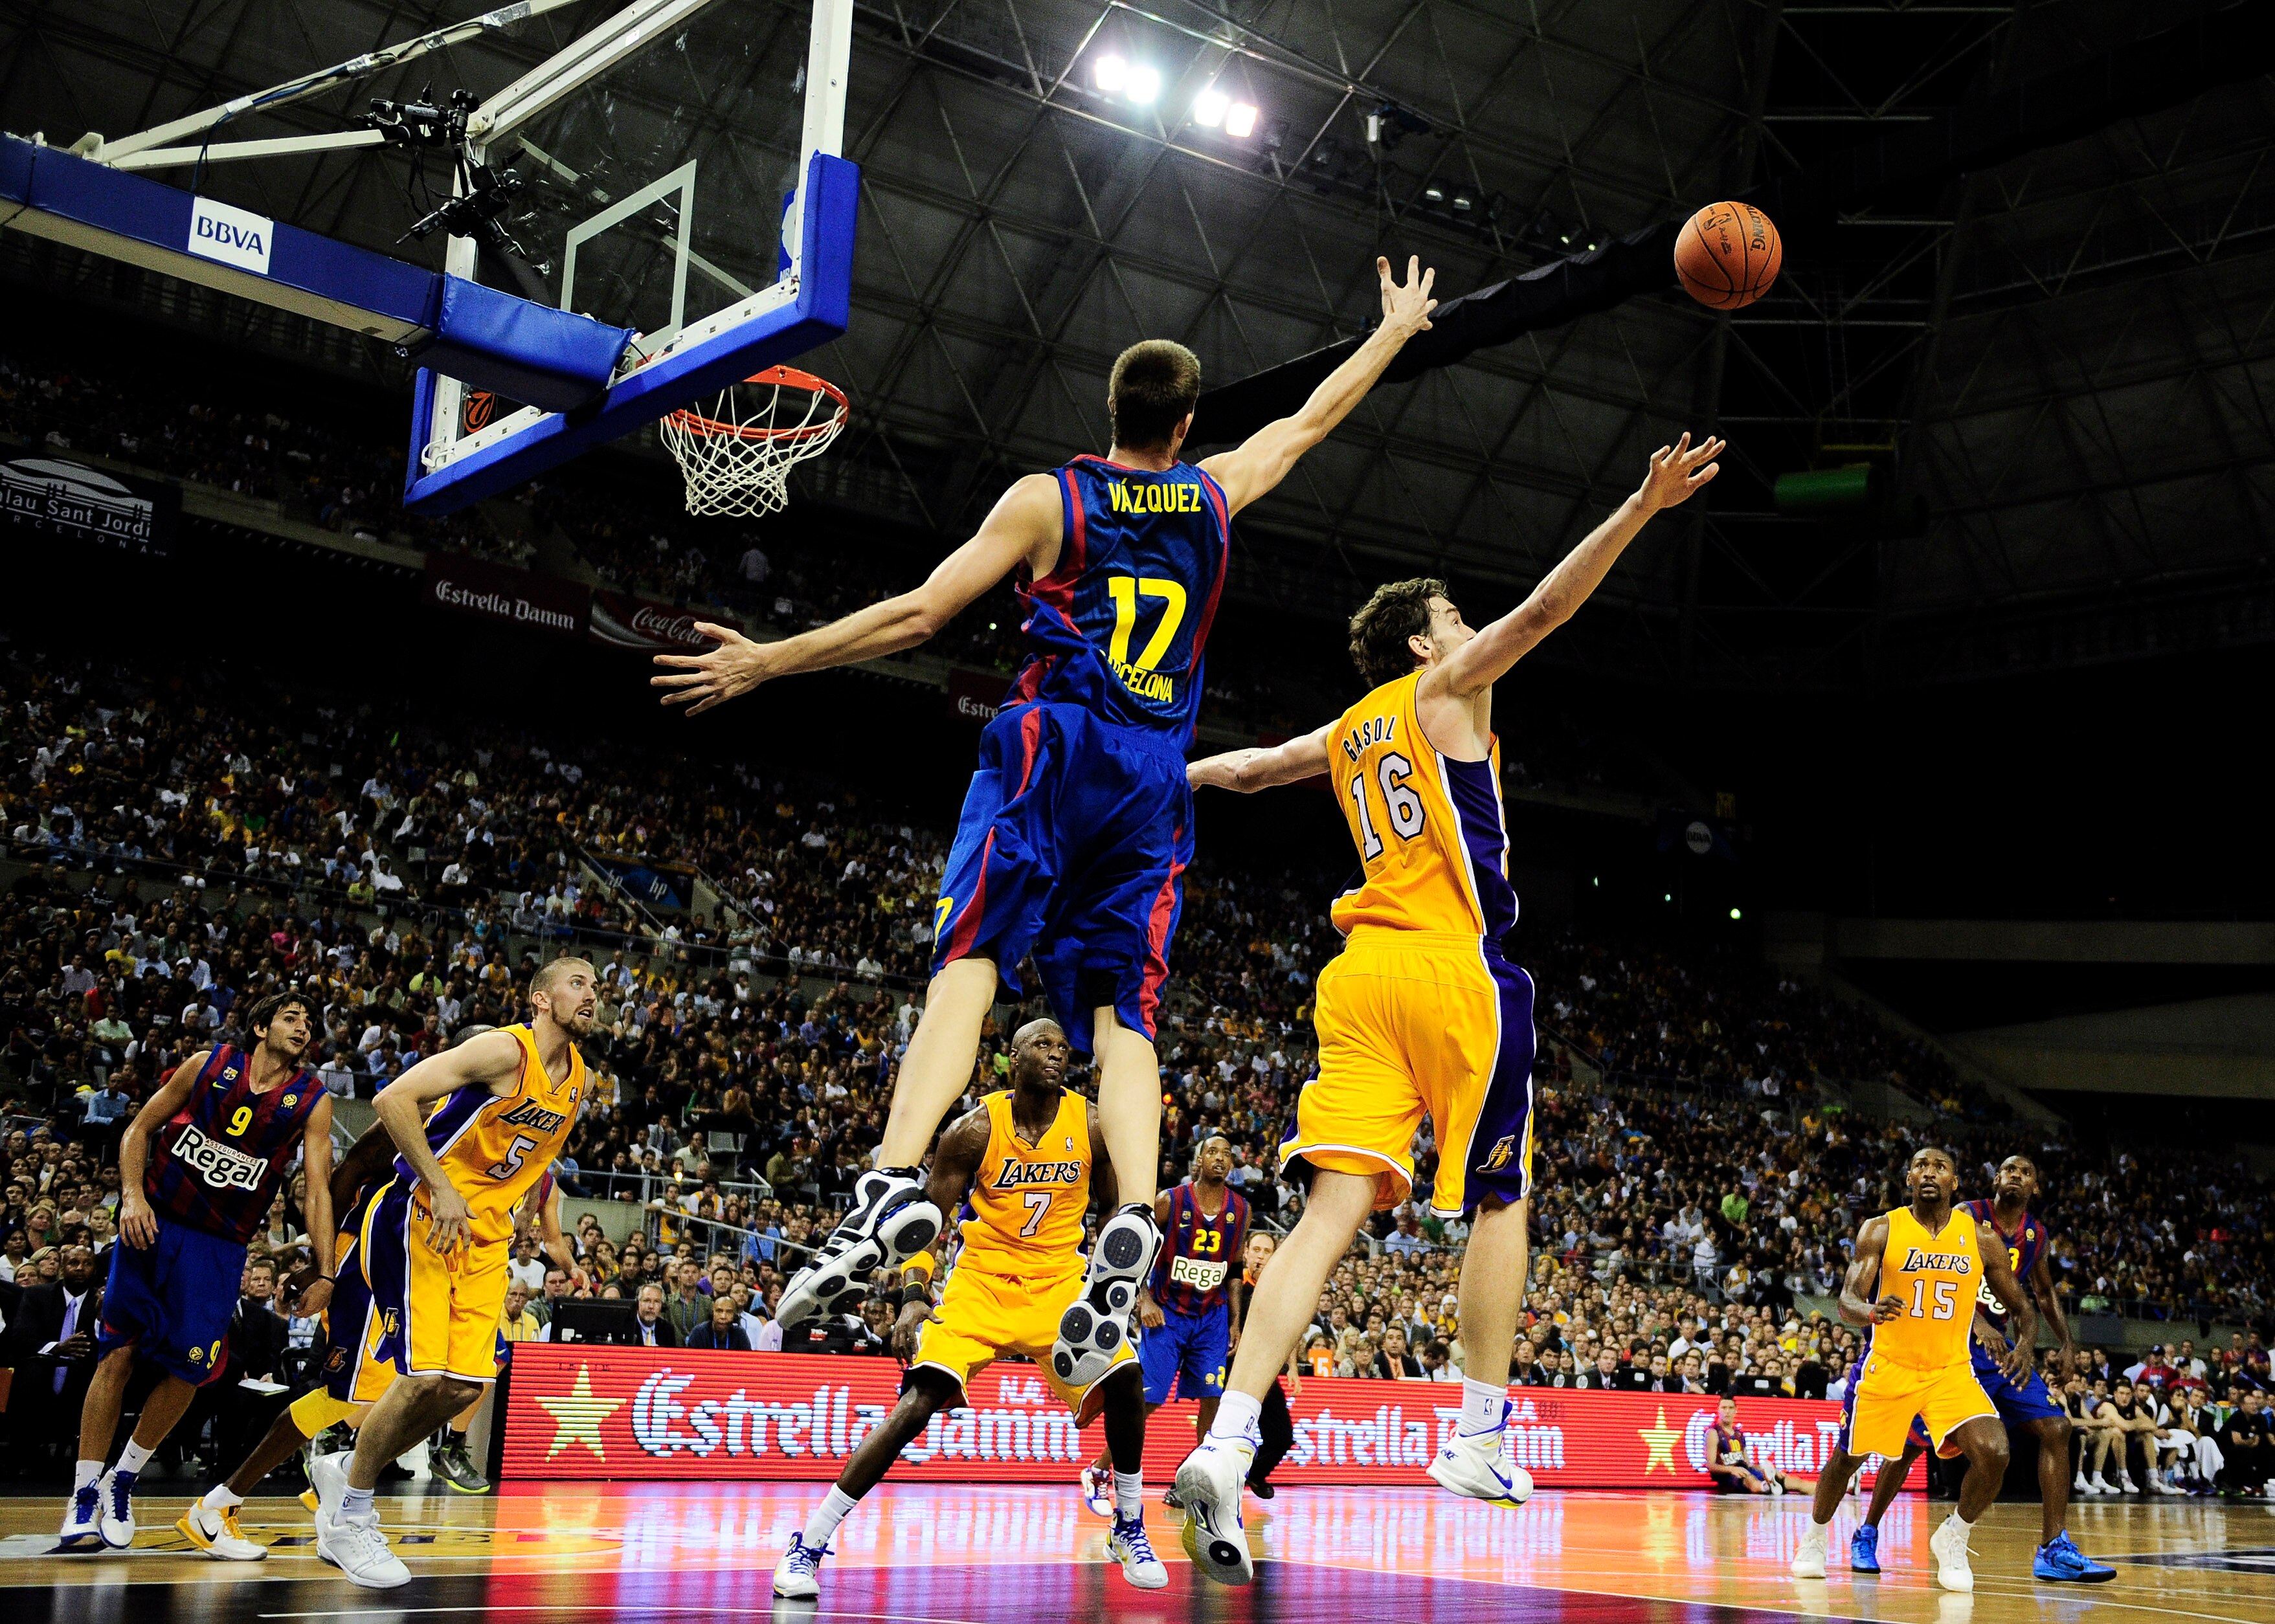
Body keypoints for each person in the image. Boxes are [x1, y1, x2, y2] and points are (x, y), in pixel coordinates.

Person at [655, 258, 1445, 1390]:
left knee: (968, 961)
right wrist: (1393, 331)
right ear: (1182, 423)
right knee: (1125, 1014)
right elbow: (1308, 422)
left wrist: (769, 659)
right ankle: (1130, 1206)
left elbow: (922, 612)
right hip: (1151, 771)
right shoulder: (1214, 491)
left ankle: (888, 1179)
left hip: (1051, 742)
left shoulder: (1046, 499)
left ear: (1111, 417)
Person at [1167, 431, 1725, 1585]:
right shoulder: (1440, 686)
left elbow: (1256, 764)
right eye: (1454, 615)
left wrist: (1166, 776)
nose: (1472, 627)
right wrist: (1637, 504)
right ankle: (1475, 1434)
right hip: (1454, 971)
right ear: (1425, 638)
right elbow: (1546, 610)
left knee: (1326, 1215)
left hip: (1354, 976)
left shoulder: (1351, 727)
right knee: (1498, 1192)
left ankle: (1226, 1436)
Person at [772, 1019, 1165, 1599]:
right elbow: (924, 1229)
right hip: (980, 1282)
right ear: (1011, 1058)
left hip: (1059, 1282)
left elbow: (1117, 1220)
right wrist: (911, 1298)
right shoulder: (974, 1130)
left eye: (1063, 1046)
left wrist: (1132, 1289)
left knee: (1128, 1378)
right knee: (915, 1404)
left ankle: (1128, 1523)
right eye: (1042, 1045)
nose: (1056, 1054)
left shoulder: (1094, 1124)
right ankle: (809, 1542)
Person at [306, 959, 595, 1588]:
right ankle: (351, 1516)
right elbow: (391, 1098)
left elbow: (521, 1162)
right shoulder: (501, 1048)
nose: (593, 992)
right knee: (421, 1377)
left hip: (486, 1238)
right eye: (579, 982)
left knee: (466, 1386)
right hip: (421, 1218)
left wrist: (535, 1226)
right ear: (541, 999)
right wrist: (439, 1186)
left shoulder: (580, 1081)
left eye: (597, 985)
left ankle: (344, 1464)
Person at [62, 991, 335, 1553]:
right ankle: (83, 1492)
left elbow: (317, 1188)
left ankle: (124, 1477)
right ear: (261, 1025)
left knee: (190, 1371)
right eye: (291, 1017)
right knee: (117, 1352)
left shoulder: (311, 1099)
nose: (303, 1028)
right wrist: (131, 1197)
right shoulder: (208, 1065)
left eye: (310, 1023)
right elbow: (137, 1130)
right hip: (153, 1224)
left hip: (219, 1247)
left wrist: (324, 1268)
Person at [1844, 1155, 2112, 1581]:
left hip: (1997, 1353)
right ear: (1994, 1180)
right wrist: (1980, 1321)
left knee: (2057, 1428)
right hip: (1944, 1345)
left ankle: (2053, 1547)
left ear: (2035, 1187)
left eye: (2026, 1172)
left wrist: (2056, 1343)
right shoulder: (1966, 1215)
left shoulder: (2036, 1234)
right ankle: (1868, 1530)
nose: (2016, 1177)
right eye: (2009, 1170)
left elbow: (2040, 1296)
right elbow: (1943, 1271)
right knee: (1908, 1446)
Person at [1791, 1146, 2037, 1594]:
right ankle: (1814, 1538)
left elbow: (2021, 1304)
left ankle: (1954, 1536)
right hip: (1890, 1365)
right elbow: (1846, 1300)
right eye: (1921, 1166)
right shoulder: (1882, 1228)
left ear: (1954, 1182)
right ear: (1908, 1178)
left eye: (1940, 1166)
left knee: (1996, 1450)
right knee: (1848, 1458)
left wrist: (2025, 1344)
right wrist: (1869, 1309)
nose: (1930, 1172)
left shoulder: (1980, 1238)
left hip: (1950, 1370)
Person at [1086, 1135, 1248, 1512]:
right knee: (1148, 1401)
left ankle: (1193, 1479)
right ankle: (1100, 1470)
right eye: (1213, 1152)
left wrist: (1235, 1321)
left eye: (1227, 1154)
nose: (1220, 1159)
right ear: (1198, 1160)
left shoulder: (1240, 1209)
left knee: (1214, 1398)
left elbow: (1236, 1268)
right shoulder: (1170, 1201)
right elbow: (1134, 1250)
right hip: (1166, 1314)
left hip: (1212, 1316)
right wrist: (1143, 1299)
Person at [1705, 1396, 1804, 1494]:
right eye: (1724, 1408)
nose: (1727, 1411)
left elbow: (1748, 1464)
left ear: (1736, 1411)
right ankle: (1768, 1486)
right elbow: (1711, 1465)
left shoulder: (1739, 1434)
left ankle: (1775, 1483)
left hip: (1745, 1470)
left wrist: (1766, 1470)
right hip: (1728, 1477)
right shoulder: (1713, 1433)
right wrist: (1731, 1469)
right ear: (1718, 1410)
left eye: (1731, 1408)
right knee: (1750, 1480)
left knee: (1794, 1482)